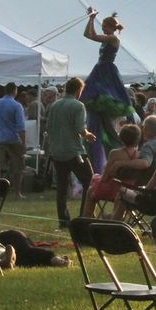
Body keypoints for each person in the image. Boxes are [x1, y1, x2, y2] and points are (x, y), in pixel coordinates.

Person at [77, 8, 136, 172]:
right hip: (100, 69)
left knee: (102, 100)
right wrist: (90, 19)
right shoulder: (107, 38)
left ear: (111, 27)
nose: (102, 28)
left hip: (106, 71)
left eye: (104, 26)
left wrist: (92, 19)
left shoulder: (113, 39)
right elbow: (88, 35)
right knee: (92, 102)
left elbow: (93, 35)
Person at [45, 76, 91, 226]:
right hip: (75, 151)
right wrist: (88, 135)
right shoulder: (78, 106)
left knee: (62, 186)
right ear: (79, 90)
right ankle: (85, 216)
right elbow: (80, 128)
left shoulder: (55, 105)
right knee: (89, 182)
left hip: (57, 151)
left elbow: (49, 127)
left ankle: (63, 220)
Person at [0, 80, 27, 198]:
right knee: (18, 166)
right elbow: (21, 127)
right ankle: (17, 193)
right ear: (15, 91)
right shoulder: (17, 105)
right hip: (13, 138)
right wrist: (24, 143)